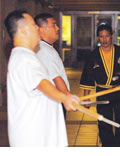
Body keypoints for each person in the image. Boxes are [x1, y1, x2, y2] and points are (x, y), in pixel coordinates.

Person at [4, 10, 80, 146]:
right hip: (34, 138)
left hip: (37, 136)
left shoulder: (25, 56)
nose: (38, 28)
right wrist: (65, 98)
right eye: (34, 25)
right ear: (23, 30)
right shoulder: (24, 58)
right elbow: (42, 83)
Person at [80, 24, 120, 147]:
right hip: (102, 92)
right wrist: (86, 98)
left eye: (107, 36)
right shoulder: (93, 55)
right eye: (101, 37)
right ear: (97, 38)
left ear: (112, 37)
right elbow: (87, 77)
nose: (104, 40)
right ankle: (107, 147)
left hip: (119, 91)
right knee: (104, 121)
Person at [34, 13, 70, 119]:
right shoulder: (43, 50)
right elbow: (56, 77)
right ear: (42, 29)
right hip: (53, 103)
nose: (58, 28)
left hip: (55, 101)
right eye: (54, 25)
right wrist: (68, 97)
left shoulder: (46, 48)